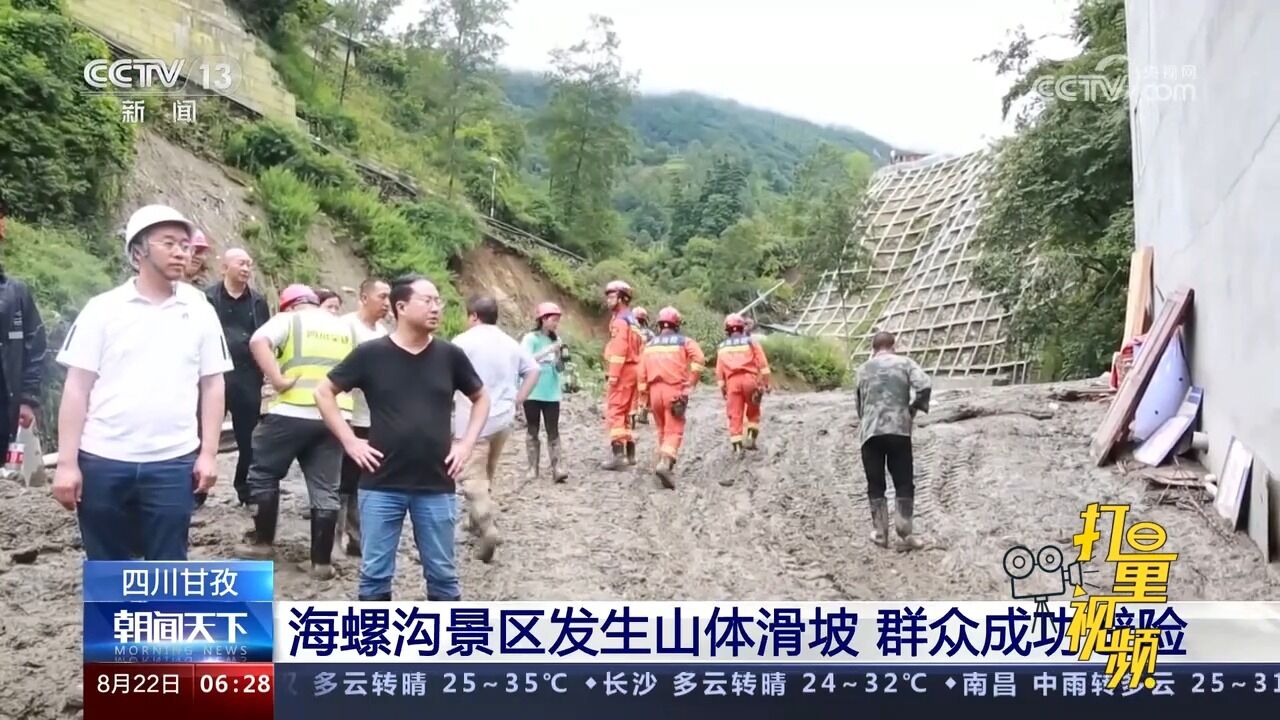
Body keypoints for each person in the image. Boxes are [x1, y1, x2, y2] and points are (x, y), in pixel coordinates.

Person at [52, 204, 230, 560]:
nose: (182, 252)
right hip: (103, 460)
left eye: (185, 244)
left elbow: (213, 384)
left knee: (168, 569)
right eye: (169, 243)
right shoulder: (103, 309)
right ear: (138, 251)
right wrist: (67, 463)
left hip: (172, 462)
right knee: (107, 566)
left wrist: (208, 454)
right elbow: (76, 387)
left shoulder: (200, 310)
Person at [316, 275, 489, 601]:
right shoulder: (371, 354)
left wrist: (466, 443)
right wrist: (351, 441)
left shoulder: (449, 356)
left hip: (436, 483)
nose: (436, 308)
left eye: (439, 301)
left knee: (442, 574)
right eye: (428, 300)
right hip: (381, 483)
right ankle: (376, 646)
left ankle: (447, 646)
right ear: (401, 306)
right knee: (375, 575)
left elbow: (482, 397)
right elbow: (324, 392)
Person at [238, 283, 356, 580]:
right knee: (326, 489)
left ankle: (263, 543)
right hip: (334, 417)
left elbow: (258, 341)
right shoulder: (343, 327)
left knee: (263, 473)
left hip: (291, 411)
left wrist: (276, 378)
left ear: (289, 305)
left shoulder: (289, 319)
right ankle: (320, 563)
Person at [450, 296, 539, 563]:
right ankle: (473, 520)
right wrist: (519, 398)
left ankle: (487, 528)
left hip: (471, 421)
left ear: (474, 316)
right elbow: (534, 370)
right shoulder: (510, 342)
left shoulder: (462, 342)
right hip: (502, 419)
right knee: (487, 471)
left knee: (471, 479)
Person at [203, 248, 271, 507]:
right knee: (202, 433)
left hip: (246, 376)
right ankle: (197, 490)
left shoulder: (257, 301)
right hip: (212, 375)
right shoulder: (206, 298)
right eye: (241, 263)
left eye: (249, 264)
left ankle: (245, 487)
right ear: (224, 267)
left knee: (248, 437)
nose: (246, 268)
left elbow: (264, 337)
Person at [855, 330, 932, 550]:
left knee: (876, 483)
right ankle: (905, 535)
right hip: (899, 430)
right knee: (903, 481)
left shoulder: (862, 369)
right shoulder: (905, 363)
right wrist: (913, 408)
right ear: (893, 345)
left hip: (871, 433)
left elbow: (858, 402)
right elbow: (924, 385)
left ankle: (880, 535)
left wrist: (867, 419)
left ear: (873, 348)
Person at [335, 278, 390, 558]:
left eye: (389, 297)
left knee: (364, 478)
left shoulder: (383, 332)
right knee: (340, 480)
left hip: (372, 418)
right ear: (364, 297)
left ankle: (357, 539)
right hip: (347, 414)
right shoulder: (344, 327)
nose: (387, 304)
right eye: (382, 296)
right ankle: (334, 540)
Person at [637, 307, 704, 489]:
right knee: (674, 430)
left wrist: (644, 398)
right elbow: (699, 359)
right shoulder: (684, 342)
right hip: (674, 391)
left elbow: (641, 373)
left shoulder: (649, 346)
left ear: (659, 325)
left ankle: (663, 460)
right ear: (677, 325)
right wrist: (691, 383)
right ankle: (665, 464)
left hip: (654, 392)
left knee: (661, 429)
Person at [0, 251, 48, 460]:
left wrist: (28, 399)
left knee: (10, 470)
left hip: (7, 405)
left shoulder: (16, 292)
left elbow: (35, 345)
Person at [520, 302, 570, 484]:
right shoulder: (530, 339)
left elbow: (559, 369)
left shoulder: (556, 341)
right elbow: (525, 360)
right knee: (532, 429)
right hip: (532, 391)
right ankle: (533, 468)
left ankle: (557, 467)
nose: (556, 323)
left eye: (557, 320)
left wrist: (559, 357)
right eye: (553, 320)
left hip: (551, 393)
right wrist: (548, 350)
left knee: (553, 430)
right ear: (543, 319)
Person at [599, 280, 645, 471]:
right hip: (634, 369)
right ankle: (630, 451)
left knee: (615, 410)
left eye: (612, 296)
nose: (609, 300)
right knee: (625, 411)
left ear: (622, 298)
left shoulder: (620, 320)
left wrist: (613, 375)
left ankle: (618, 454)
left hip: (623, 370)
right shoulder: (632, 320)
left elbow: (619, 349)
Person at [716, 313, 773, 455]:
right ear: (742, 327)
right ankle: (750, 438)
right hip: (750, 380)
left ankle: (737, 447)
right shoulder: (751, 342)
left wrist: (723, 389)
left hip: (732, 383)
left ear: (727, 329)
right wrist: (766, 383)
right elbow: (763, 364)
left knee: (735, 414)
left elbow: (719, 370)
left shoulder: (722, 347)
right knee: (753, 410)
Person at [630, 307, 653, 426]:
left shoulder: (629, 330)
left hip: (631, 364)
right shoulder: (649, 334)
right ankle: (643, 413)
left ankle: (630, 414)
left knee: (631, 390)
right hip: (645, 366)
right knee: (645, 390)